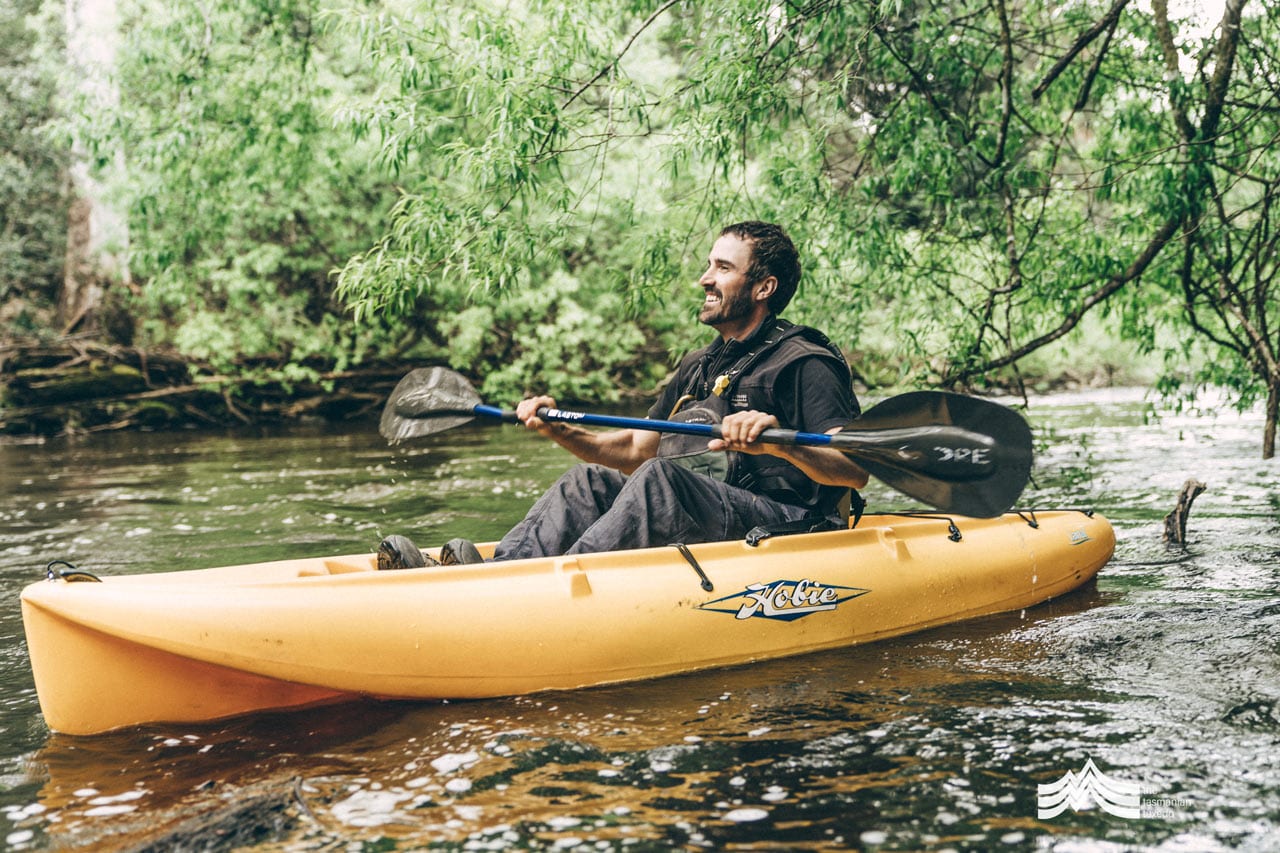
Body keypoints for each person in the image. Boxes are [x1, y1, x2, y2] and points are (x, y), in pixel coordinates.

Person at [378, 221, 868, 570]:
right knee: (588, 481)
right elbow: (634, 451)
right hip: (715, 507)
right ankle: (503, 571)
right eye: (708, 265)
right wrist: (559, 429)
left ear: (764, 287)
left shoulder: (805, 362)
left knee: (664, 480)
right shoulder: (700, 365)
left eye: (722, 268)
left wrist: (778, 443)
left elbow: (855, 466)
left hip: (794, 526)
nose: (704, 278)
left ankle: (544, 586)